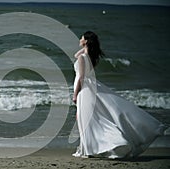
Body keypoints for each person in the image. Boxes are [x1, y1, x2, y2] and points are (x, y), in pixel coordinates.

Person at [71, 31, 166, 159]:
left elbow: (81, 77)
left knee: (87, 120)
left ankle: (102, 145)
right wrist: (86, 48)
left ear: (86, 41)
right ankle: (90, 148)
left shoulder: (83, 58)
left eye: (82, 38)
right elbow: (76, 55)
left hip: (84, 90)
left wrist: (75, 94)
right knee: (89, 119)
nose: (79, 39)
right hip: (91, 87)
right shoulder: (92, 58)